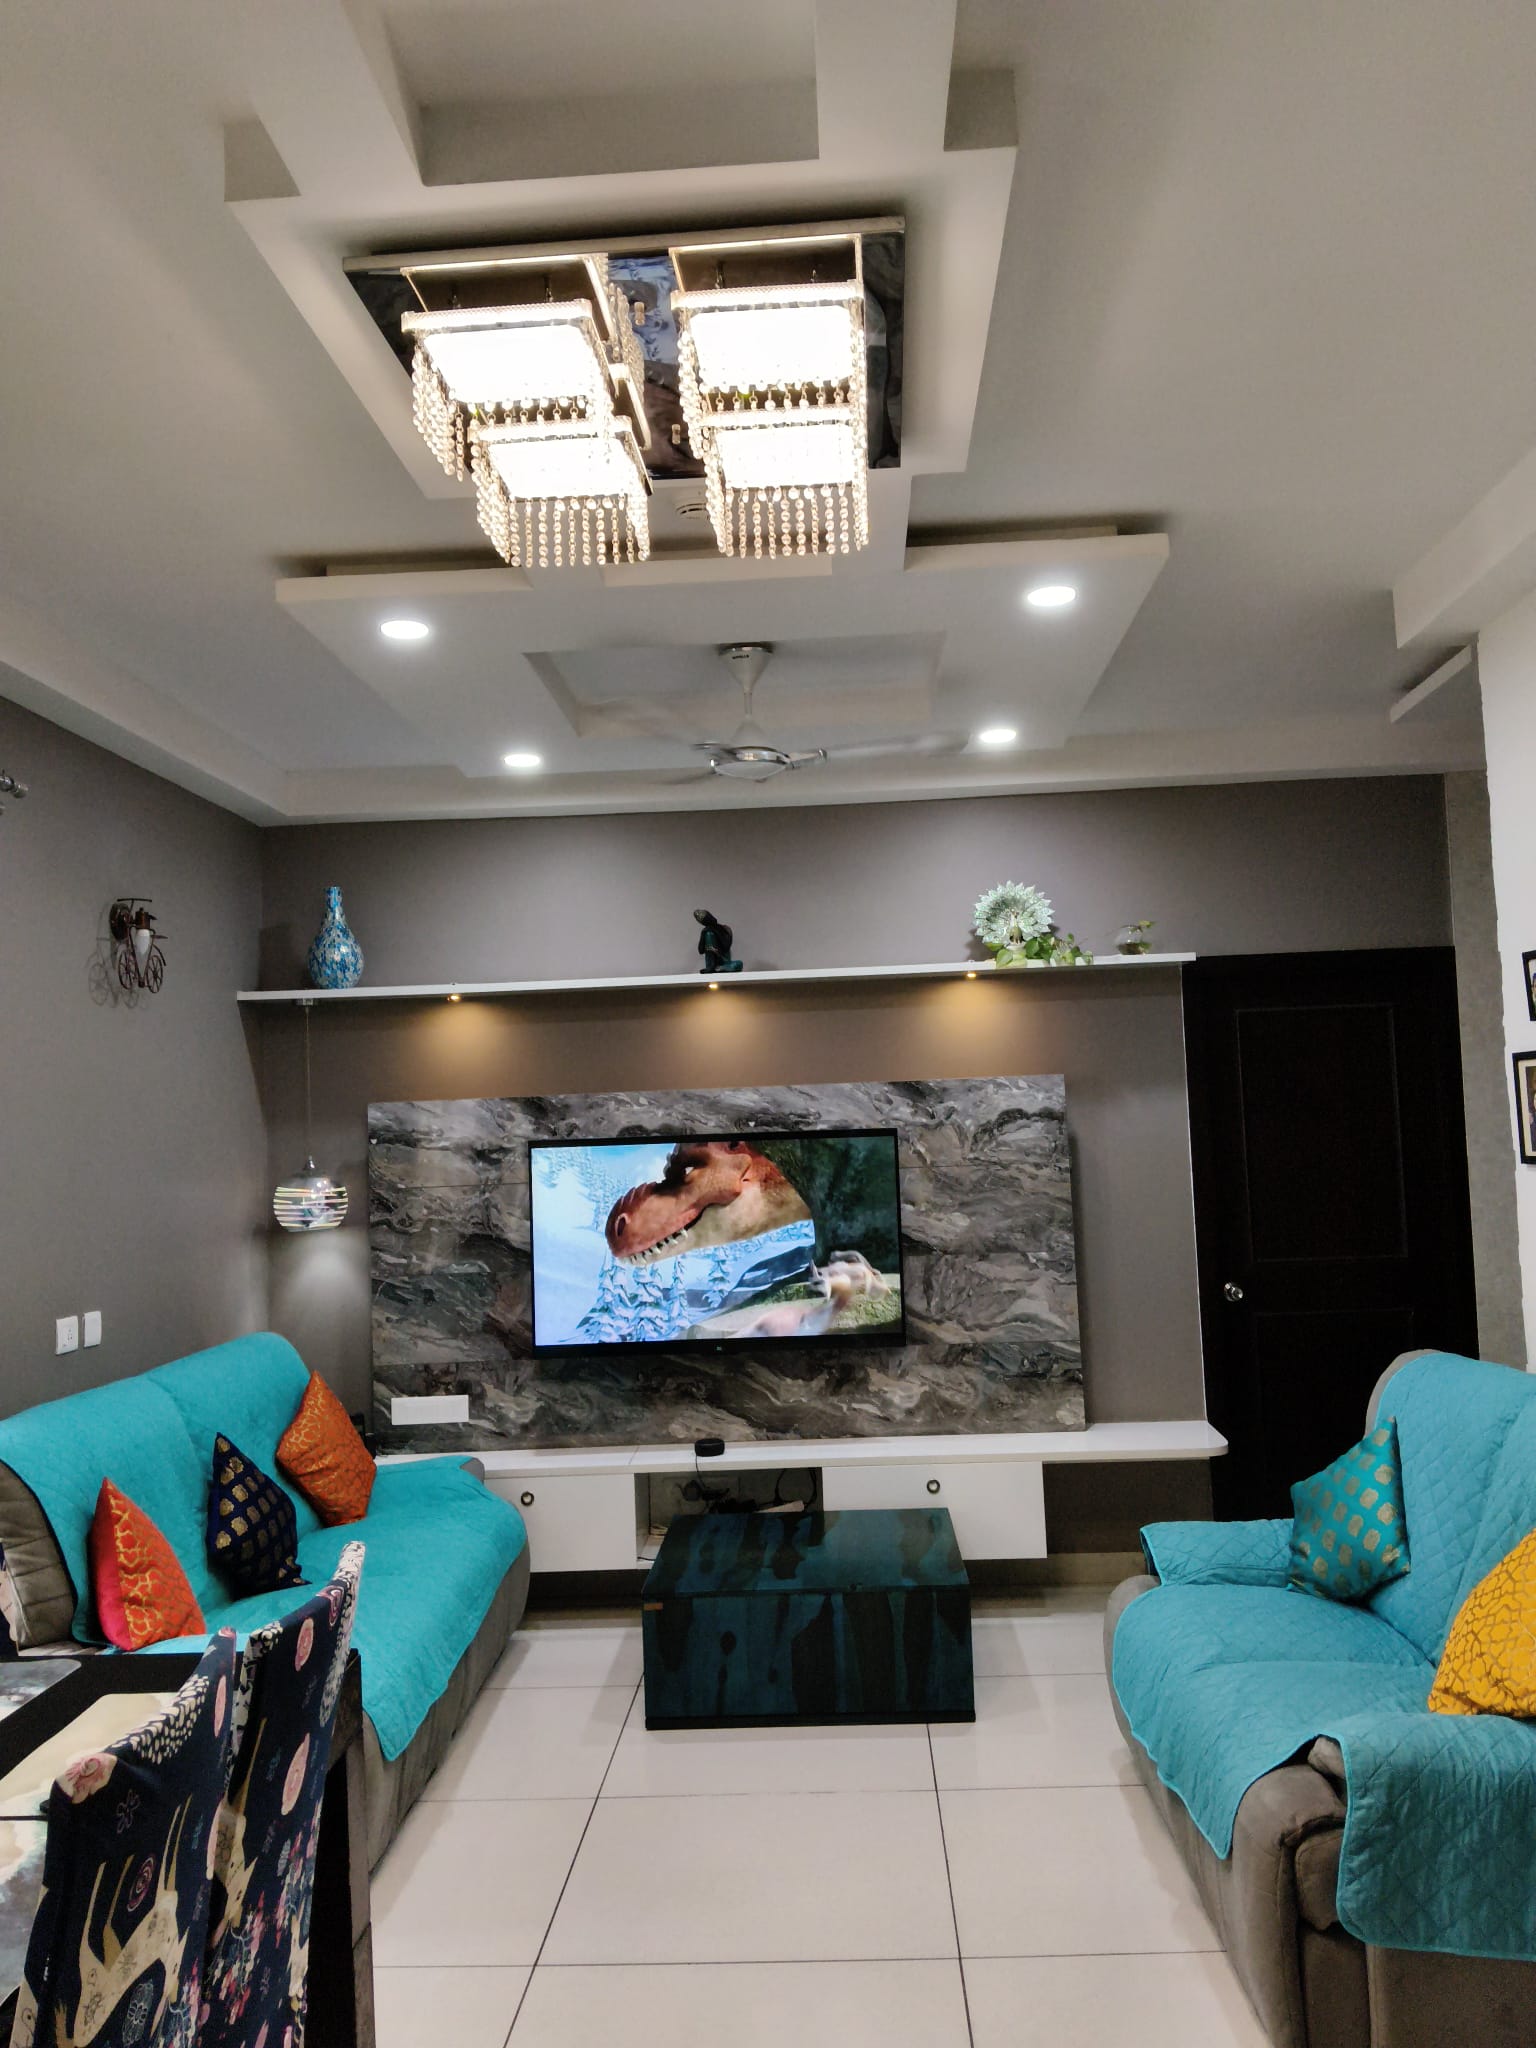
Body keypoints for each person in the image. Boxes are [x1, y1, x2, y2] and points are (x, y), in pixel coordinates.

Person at [694, 907, 741, 974]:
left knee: (739, 963)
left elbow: (726, 947)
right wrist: (703, 934)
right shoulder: (707, 932)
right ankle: (715, 967)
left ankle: (720, 968)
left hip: (725, 962)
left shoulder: (725, 929)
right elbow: (701, 950)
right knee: (709, 934)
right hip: (712, 964)